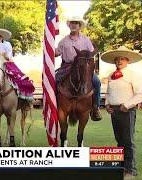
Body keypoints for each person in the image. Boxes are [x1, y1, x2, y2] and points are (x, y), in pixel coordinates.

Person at [101, 46, 142, 178]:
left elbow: (140, 94)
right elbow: (109, 93)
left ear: (128, 61)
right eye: (117, 59)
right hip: (114, 111)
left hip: (127, 110)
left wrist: (127, 105)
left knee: (128, 140)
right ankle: (121, 167)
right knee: (119, 140)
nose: (119, 61)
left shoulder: (133, 75)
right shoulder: (111, 76)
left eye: (122, 59)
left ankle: (131, 170)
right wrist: (107, 104)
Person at [55, 16, 102, 121]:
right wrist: (49, 50)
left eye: (76, 23)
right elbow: (57, 53)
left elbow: (91, 54)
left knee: (96, 81)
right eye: (72, 23)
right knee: (53, 81)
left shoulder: (86, 40)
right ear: (69, 25)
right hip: (67, 66)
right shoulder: (63, 41)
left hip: (83, 68)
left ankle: (95, 107)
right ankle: (53, 106)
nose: (74, 25)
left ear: (80, 26)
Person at [0, 28, 35, 110]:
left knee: (20, 78)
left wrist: (3, 56)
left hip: (8, 64)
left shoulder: (7, 44)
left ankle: (26, 101)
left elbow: (9, 56)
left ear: (1, 38)